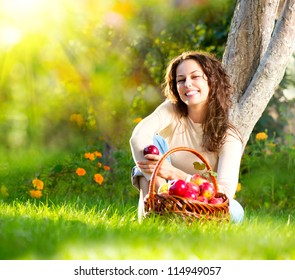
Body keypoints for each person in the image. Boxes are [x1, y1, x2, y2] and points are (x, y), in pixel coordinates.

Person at [129, 50, 244, 223]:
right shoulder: (172, 110)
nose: (187, 84)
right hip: (167, 199)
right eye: (181, 80)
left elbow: (225, 192)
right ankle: (154, 213)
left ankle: (179, 219)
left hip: (202, 204)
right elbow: (138, 137)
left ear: (212, 81)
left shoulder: (229, 136)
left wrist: (176, 174)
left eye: (195, 77)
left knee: (236, 211)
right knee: (149, 148)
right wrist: (164, 190)